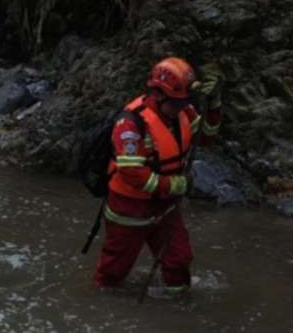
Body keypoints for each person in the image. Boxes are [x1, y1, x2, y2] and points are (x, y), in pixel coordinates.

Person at [93, 57, 223, 295]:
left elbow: (206, 137)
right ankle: (103, 302)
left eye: (184, 102)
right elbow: (132, 173)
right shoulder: (131, 124)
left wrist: (213, 104)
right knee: (114, 271)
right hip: (130, 208)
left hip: (165, 205)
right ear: (158, 94)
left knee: (179, 261)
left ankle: (177, 305)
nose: (181, 107)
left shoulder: (182, 110)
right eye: (177, 103)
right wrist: (173, 185)